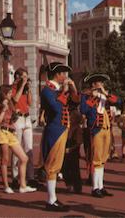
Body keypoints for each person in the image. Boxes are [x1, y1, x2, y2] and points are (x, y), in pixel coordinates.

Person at [40, 62, 78, 212]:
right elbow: (56, 108)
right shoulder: (47, 90)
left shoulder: (57, 90)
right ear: (57, 74)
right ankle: (50, 200)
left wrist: (72, 88)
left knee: (56, 166)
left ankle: (53, 198)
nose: (65, 76)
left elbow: (76, 101)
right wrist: (64, 92)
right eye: (63, 73)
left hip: (61, 129)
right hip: (54, 130)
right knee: (52, 166)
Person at [80, 73, 118, 198]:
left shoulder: (105, 94)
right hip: (96, 128)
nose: (102, 85)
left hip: (106, 128)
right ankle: (95, 187)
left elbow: (116, 101)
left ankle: (101, 186)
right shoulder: (86, 95)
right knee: (96, 159)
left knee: (103, 159)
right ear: (93, 84)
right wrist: (93, 97)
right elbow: (84, 110)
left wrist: (104, 93)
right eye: (99, 82)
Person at [0, 84, 37, 194]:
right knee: (5, 159)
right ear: (3, 94)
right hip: (2, 131)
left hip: (12, 132)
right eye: (8, 93)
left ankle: (22, 185)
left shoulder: (12, 103)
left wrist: (15, 114)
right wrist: (4, 109)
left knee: (24, 158)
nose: (10, 94)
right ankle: (6, 186)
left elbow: (13, 119)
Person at [10, 68, 36, 189]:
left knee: (29, 148)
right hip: (18, 119)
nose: (26, 79)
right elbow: (15, 100)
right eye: (24, 76)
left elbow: (30, 103)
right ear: (18, 77)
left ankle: (30, 177)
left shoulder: (25, 89)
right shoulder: (13, 88)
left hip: (26, 118)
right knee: (17, 148)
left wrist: (28, 88)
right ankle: (15, 177)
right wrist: (22, 85)